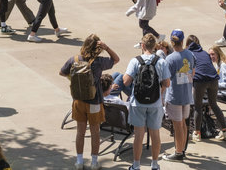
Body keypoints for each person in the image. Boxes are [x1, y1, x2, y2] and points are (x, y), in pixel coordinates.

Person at [60, 34, 120, 170]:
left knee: (80, 132)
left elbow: (62, 72)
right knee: (95, 132)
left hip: (78, 101)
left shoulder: (74, 59)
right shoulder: (99, 62)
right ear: (97, 48)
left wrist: (75, 80)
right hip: (95, 101)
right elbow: (116, 59)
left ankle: (79, 162)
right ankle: (94, 162)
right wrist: (107, 47)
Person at [122, 33, 171, 170]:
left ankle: (136, 165)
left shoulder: (135, 61)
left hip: (138, 103)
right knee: (155, 134)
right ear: (155, 46)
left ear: (142, 46)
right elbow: (167, 83)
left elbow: (126, 81)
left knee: (139, 135)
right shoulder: (160, 62)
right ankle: (154, 164)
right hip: (155, 103)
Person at [186, 35, 226, 142]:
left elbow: (189, 71)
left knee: (197, 106)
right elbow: (208, 67)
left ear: (187, 45)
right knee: (214, 104)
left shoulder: (188, 54)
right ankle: (225, 130)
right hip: (214, 80)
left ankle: (197, 133)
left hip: (200, 81)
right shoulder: (205, 53)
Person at [163, 29, 194, 162]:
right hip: (187, 95)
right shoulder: (190, 55)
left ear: (171, 41)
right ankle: (182, 149)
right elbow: (193, 72)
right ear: (182, 41)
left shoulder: (170, 59)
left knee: (177, 126)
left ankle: (178, 152)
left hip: (175, 96)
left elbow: (166, 80)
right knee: (183, 124)